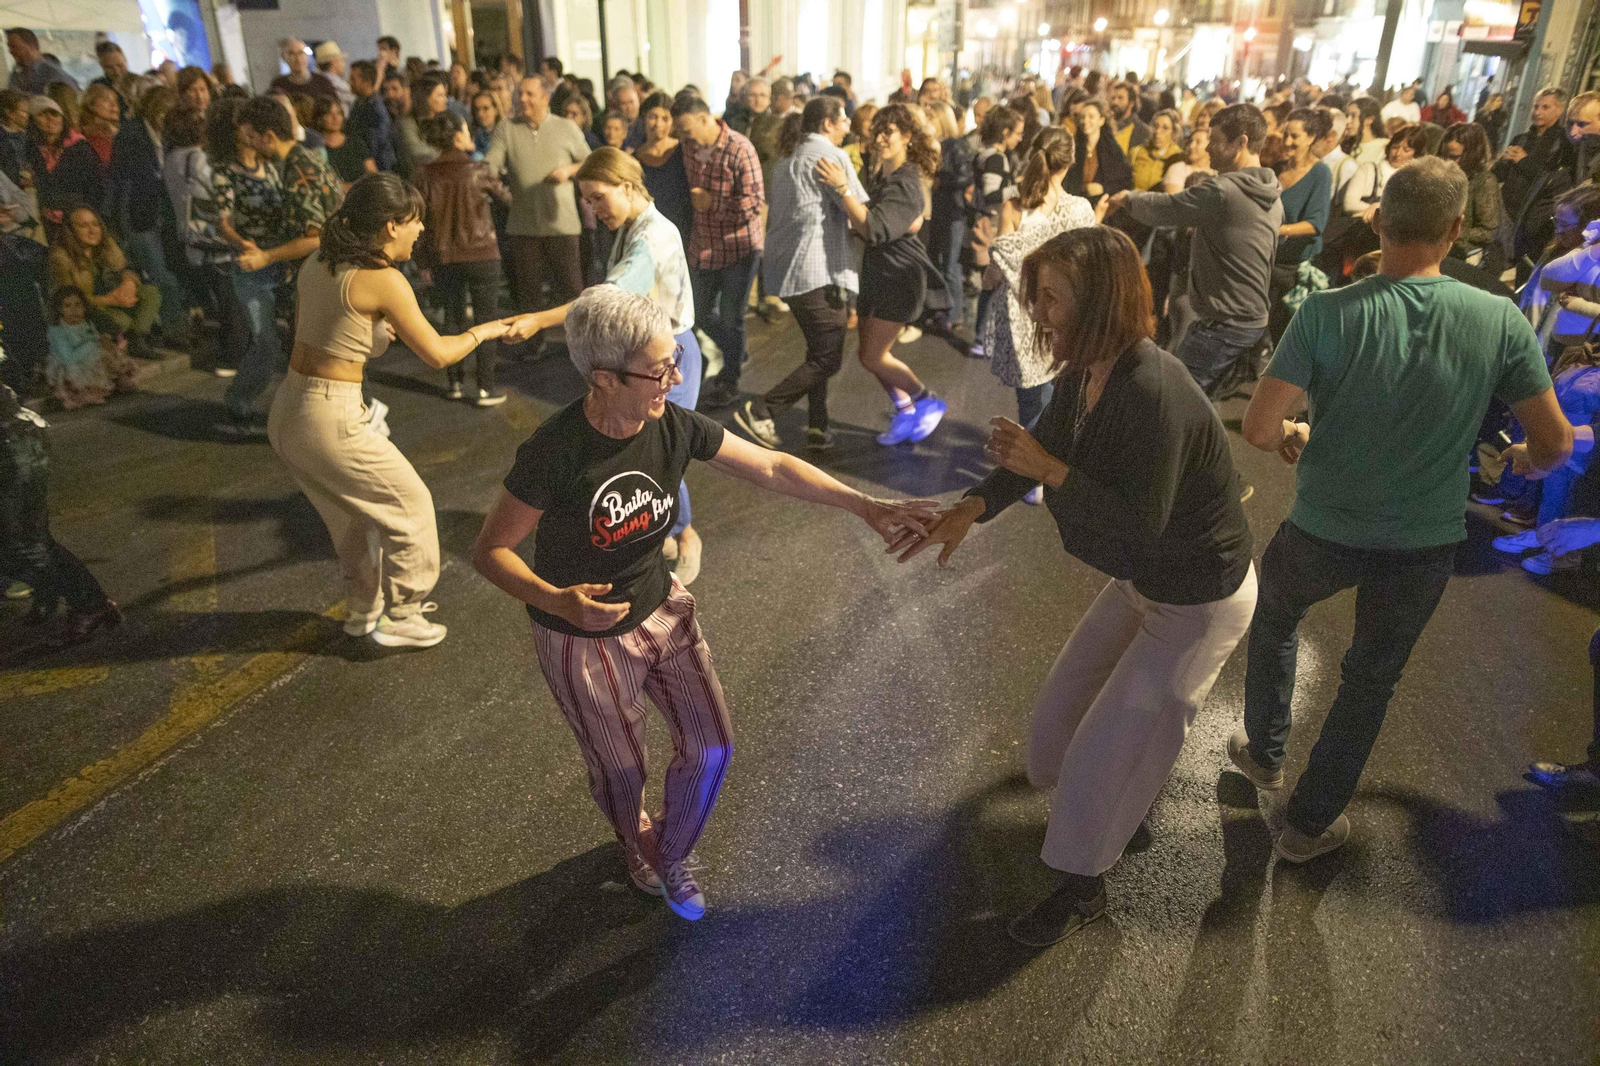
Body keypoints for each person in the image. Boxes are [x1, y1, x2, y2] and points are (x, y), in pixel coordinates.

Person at [473, 284, 934, 920]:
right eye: (660, 368)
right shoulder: (553, 452)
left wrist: (867, 505)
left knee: (712, 747)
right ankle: (634, 838)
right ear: (603, 379)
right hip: (583, 637)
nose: (677, 376)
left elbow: (772, 468)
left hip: (664, 609)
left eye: (677, 358)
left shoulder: (673, 424)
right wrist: (556, 601)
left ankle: (669, 849)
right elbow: (490, 551)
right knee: (619, 773)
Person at [893, 225, 1257, 946]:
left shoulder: (1152, 388)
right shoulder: (1086, 371)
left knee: (1098, 757)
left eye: (1051, 299)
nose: (1038, 314)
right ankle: (1122, 810)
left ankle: (1083, 886)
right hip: (1142, 580)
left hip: (1196, 597)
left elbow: (1134, 528)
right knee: (1054, 736)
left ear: (1100, 301)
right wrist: (970, 509)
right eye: (1037, 298)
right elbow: (1043, 455)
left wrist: (1051, 472)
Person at [1230, 157, 1573, 861]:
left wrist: (1298, 431)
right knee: (1370, 679)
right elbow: (1555, 443)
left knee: (1275, 615)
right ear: (1454, 231)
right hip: (1422, 542)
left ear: (1379, 221)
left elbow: (1261, 430)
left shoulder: (1325, 313)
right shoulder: (1498, 320)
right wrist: (1523, 463)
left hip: (1322, 526)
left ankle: (1264, 754)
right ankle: (1307, 827)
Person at [270, 173, 509, 649]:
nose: (420, 231)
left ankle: (364, 610)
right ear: (389, 226)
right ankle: (403, 612)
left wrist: (378, 334)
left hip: (290, 409)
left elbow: (336, 335)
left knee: (351, 516)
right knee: (411, 506)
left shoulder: (320, 260)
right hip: (330, 416)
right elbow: (440, 354)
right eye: (414, 222)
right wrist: (487, 330)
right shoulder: (384, 280)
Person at [503, 147, 712, 581]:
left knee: (663, 445)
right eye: (588, 202)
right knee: (648, 444)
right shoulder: (633, 225)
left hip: (667, 352)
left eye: (599, 197)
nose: (594, 210)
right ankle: (666, 531)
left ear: (629, 186)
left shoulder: (652, 237)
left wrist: (538, 319)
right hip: (643, 352)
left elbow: (602, 300)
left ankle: (686, 534)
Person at [1108, 103, 1282, 400]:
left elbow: (1167, 208)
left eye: (1214, 141)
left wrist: (1127, 198)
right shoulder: (1269, 190)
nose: (1208, 150)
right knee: (1199, 407)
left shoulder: (1223, 191)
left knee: (1172, 400)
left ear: (1240, 143)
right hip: (1246, 320)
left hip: (1225, 324)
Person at [733, 95, 868, 454]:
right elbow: (861, 215)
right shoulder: (833, 158)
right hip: (818, 271)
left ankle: (817, 427)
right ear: (827, 124)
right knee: (828, 357)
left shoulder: (784, 163)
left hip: (787, 272)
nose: (847, 128)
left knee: (818, 352)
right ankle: (762, 409)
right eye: (843, 121)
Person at [815, 102, 950, 445]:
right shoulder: (883, 176)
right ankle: (905, 412)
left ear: (907, 136)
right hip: (879, 274)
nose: (881, 137)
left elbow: (874, 228)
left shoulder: (906, 181)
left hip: (900, 277)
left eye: (889, 131)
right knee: (870, 356)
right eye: (877, 130)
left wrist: (843, 189)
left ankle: (925, 399)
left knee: (872, 355)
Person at [983, 128, 1094, 491]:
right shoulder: (1079, 210)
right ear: (1070, 162)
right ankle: (1054, 466)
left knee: (1033, 400)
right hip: (1067, 313)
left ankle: (1032, 476)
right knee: (1066, 393)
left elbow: (996, 270)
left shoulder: (1014, 206)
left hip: (1023, 319)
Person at [0, 376, 120, 646]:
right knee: (23, 542)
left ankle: (90, 604)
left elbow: (14, 371)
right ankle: (53, 593)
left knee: (24, 544)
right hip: (12, 440)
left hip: (12, 446)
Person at [670, 93, 763, 409]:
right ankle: (735, 350)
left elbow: (754, 204)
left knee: (730, 317)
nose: (683, 137)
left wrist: (714, 204)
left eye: (685, 129)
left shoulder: (740, 148)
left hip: (739, 248)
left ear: (704, 118)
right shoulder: (689, 148)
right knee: (695, 313)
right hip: (704, 246)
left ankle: (730, 379)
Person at [413, 112, 510, 406]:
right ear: (457, 136)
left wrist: (423, 262)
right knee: (486, 319)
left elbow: (419, 220)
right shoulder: (479, 169)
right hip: (482, 254)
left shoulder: (424, 174)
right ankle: (485, 387)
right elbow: (506, 198)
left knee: (452, 318)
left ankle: (454, 381)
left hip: (443, 257)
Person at [484, 75, 589, 334]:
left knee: (571, 292)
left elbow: (591, 162)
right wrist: (500, 191)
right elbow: (489, 167)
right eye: (520, 93)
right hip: (523, 226)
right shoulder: (506, 128)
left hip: (562, 225)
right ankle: (531, 343)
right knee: (528, 293)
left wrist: (569, 170)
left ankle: (581, 343)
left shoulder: (566, 127)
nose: (523, 99)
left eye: (530, 94)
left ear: (545, 98)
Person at [49, 206, 162, 359]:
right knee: (123, 322)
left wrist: (129, 283)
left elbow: (126, 267)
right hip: (92, 307)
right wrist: (109, 299)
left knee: (151, 292)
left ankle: (135, 338)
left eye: (95, 224)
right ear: (70, 230)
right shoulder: (61, 258)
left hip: (115, 298)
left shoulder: (106, 245)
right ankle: (137, 338)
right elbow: (66, 300)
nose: (92, 230)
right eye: (84, 226)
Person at [1495, 87, 1576, 277]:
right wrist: (1503, 161)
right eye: (1536, 106)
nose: (1538, 112)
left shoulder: (1563, 144)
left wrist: (1523, 161)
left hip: (1533, 222)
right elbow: (1501, 175)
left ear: (1559, 110)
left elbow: (1552, 183)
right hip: (1506, 215)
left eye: (1545, 107)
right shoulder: (1521, 138)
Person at [1267, 108, 1333, 341]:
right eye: (1286, 134)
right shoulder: (1277, 169)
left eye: (1294, 136)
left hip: (1293, 270)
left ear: (1311, 137)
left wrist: (1278, 230)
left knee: (1283, 337)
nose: (1287, 141)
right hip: (1268, 263)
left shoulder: (1320, 173)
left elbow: (1316, 224)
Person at [969, 106, 1024, 357]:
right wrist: (1017, 189)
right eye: (1017, 133)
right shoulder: (996, 158)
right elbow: (992, 194)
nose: (1020, 138)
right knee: (994, 284)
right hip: (992, 224)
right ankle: (983, 339)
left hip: (984, 221)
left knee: (992, 284)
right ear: (1005, 132)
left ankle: (983, 339)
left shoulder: (983, 154)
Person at [45, 285, 136, 407]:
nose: (73, 310)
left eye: (78, 305)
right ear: (60, 309)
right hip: (70, 367)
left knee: (108, 348)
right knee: (97, 353)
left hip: (90, 360)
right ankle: (90, 390)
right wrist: (92, 346)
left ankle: (118, 379)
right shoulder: (57, 330)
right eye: (67, 306)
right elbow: (67, 358)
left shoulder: (86, 323)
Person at [927, 100, 972, 333]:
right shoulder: (933, 145)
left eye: (931, 119)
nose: (928, 123)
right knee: (937, 260)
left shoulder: (954, 145)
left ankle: (956, 313)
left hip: (952, 211)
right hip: (937, 209)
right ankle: (941, 309)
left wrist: (940, 181)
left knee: (951, 263)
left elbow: (966, 176)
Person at [1440, 122, 1501, 271]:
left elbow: (1490, 232)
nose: (1449, 162)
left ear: (1472, 154)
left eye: (1455, 157)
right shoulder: (1442, 175)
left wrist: (1454, 232)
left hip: (1463, 260)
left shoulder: (1484, 181)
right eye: (1446, 156)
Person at [633, 91, 692, 245]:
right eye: (653, 117)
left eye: (665, 118)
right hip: (649, 234)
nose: (658, 124)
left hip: (683, 230)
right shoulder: (634, 160)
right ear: (644, 118)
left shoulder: (684, 151)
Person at [1064, 100, 1131, 215]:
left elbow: (1125, 181)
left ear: (1101, 120)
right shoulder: (1074, 148)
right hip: (1075, 209)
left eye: (1091, 117)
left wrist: (1103, 188)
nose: (1085, 121)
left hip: (1102, 210)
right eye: (1083, 117)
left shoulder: (1113, 150)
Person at [313, 97, 376, 187]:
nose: (335, 118)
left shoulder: (356, 143)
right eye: (329, 114)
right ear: (320, 118)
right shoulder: (316, 147)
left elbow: (372, 172)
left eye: (339, 113)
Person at [347, 60, 394, 173]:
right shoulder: (359, 104)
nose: (349, 82)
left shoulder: (374, 109)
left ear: (367, 82)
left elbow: (377, 144)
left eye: (353, 79)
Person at [5, 29, 78, 95]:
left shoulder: (54, 74)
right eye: (9, 47)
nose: (10, 51)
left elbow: (70, 98)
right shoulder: (17, 74)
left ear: (31, 46)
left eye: (14, 47)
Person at [271, 39, 339, 106]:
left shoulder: (323, 82)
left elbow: (335, 107)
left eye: (301, 53)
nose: (298, 58)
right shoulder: (278, 85)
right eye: (291, 53)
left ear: (306, 56)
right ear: (284, 58)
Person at [1129, 108, 1182, 192]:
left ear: (1174, 132)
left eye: (1165, 128)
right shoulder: (1137, 152)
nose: (1158, 132)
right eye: (1155, 126)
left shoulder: (1178, 158)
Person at [1108, 81, 1149, 155]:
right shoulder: (1106, 126)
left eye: (1120, 98)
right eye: (1113, 98)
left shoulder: (1142, 131)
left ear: (1131, 103)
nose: (1115, 102)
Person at [469, 90, 502, 156]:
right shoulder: (472, 136)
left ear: (496, 109)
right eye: (477, 109)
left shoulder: (503, 136)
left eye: (485, 108)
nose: (480, 114)